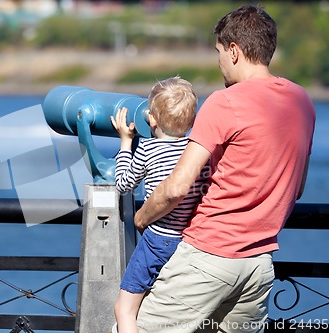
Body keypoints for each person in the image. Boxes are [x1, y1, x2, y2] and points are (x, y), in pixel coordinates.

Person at [132, 5, 316, 333]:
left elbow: (176, 187)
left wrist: (141, 217)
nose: (218, 62)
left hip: (207, 256)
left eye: (218, 52)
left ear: (234, 50)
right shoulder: (301, 102)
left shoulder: (224, 102)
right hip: (258, 263)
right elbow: (296, 188)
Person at [110, 77, 208, 333]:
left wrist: (124, 142)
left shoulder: (148, 149)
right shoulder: (196, 153)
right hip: (188, 242)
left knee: (125, 309)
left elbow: (123, 184)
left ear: (152, 119)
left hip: (155, 241)